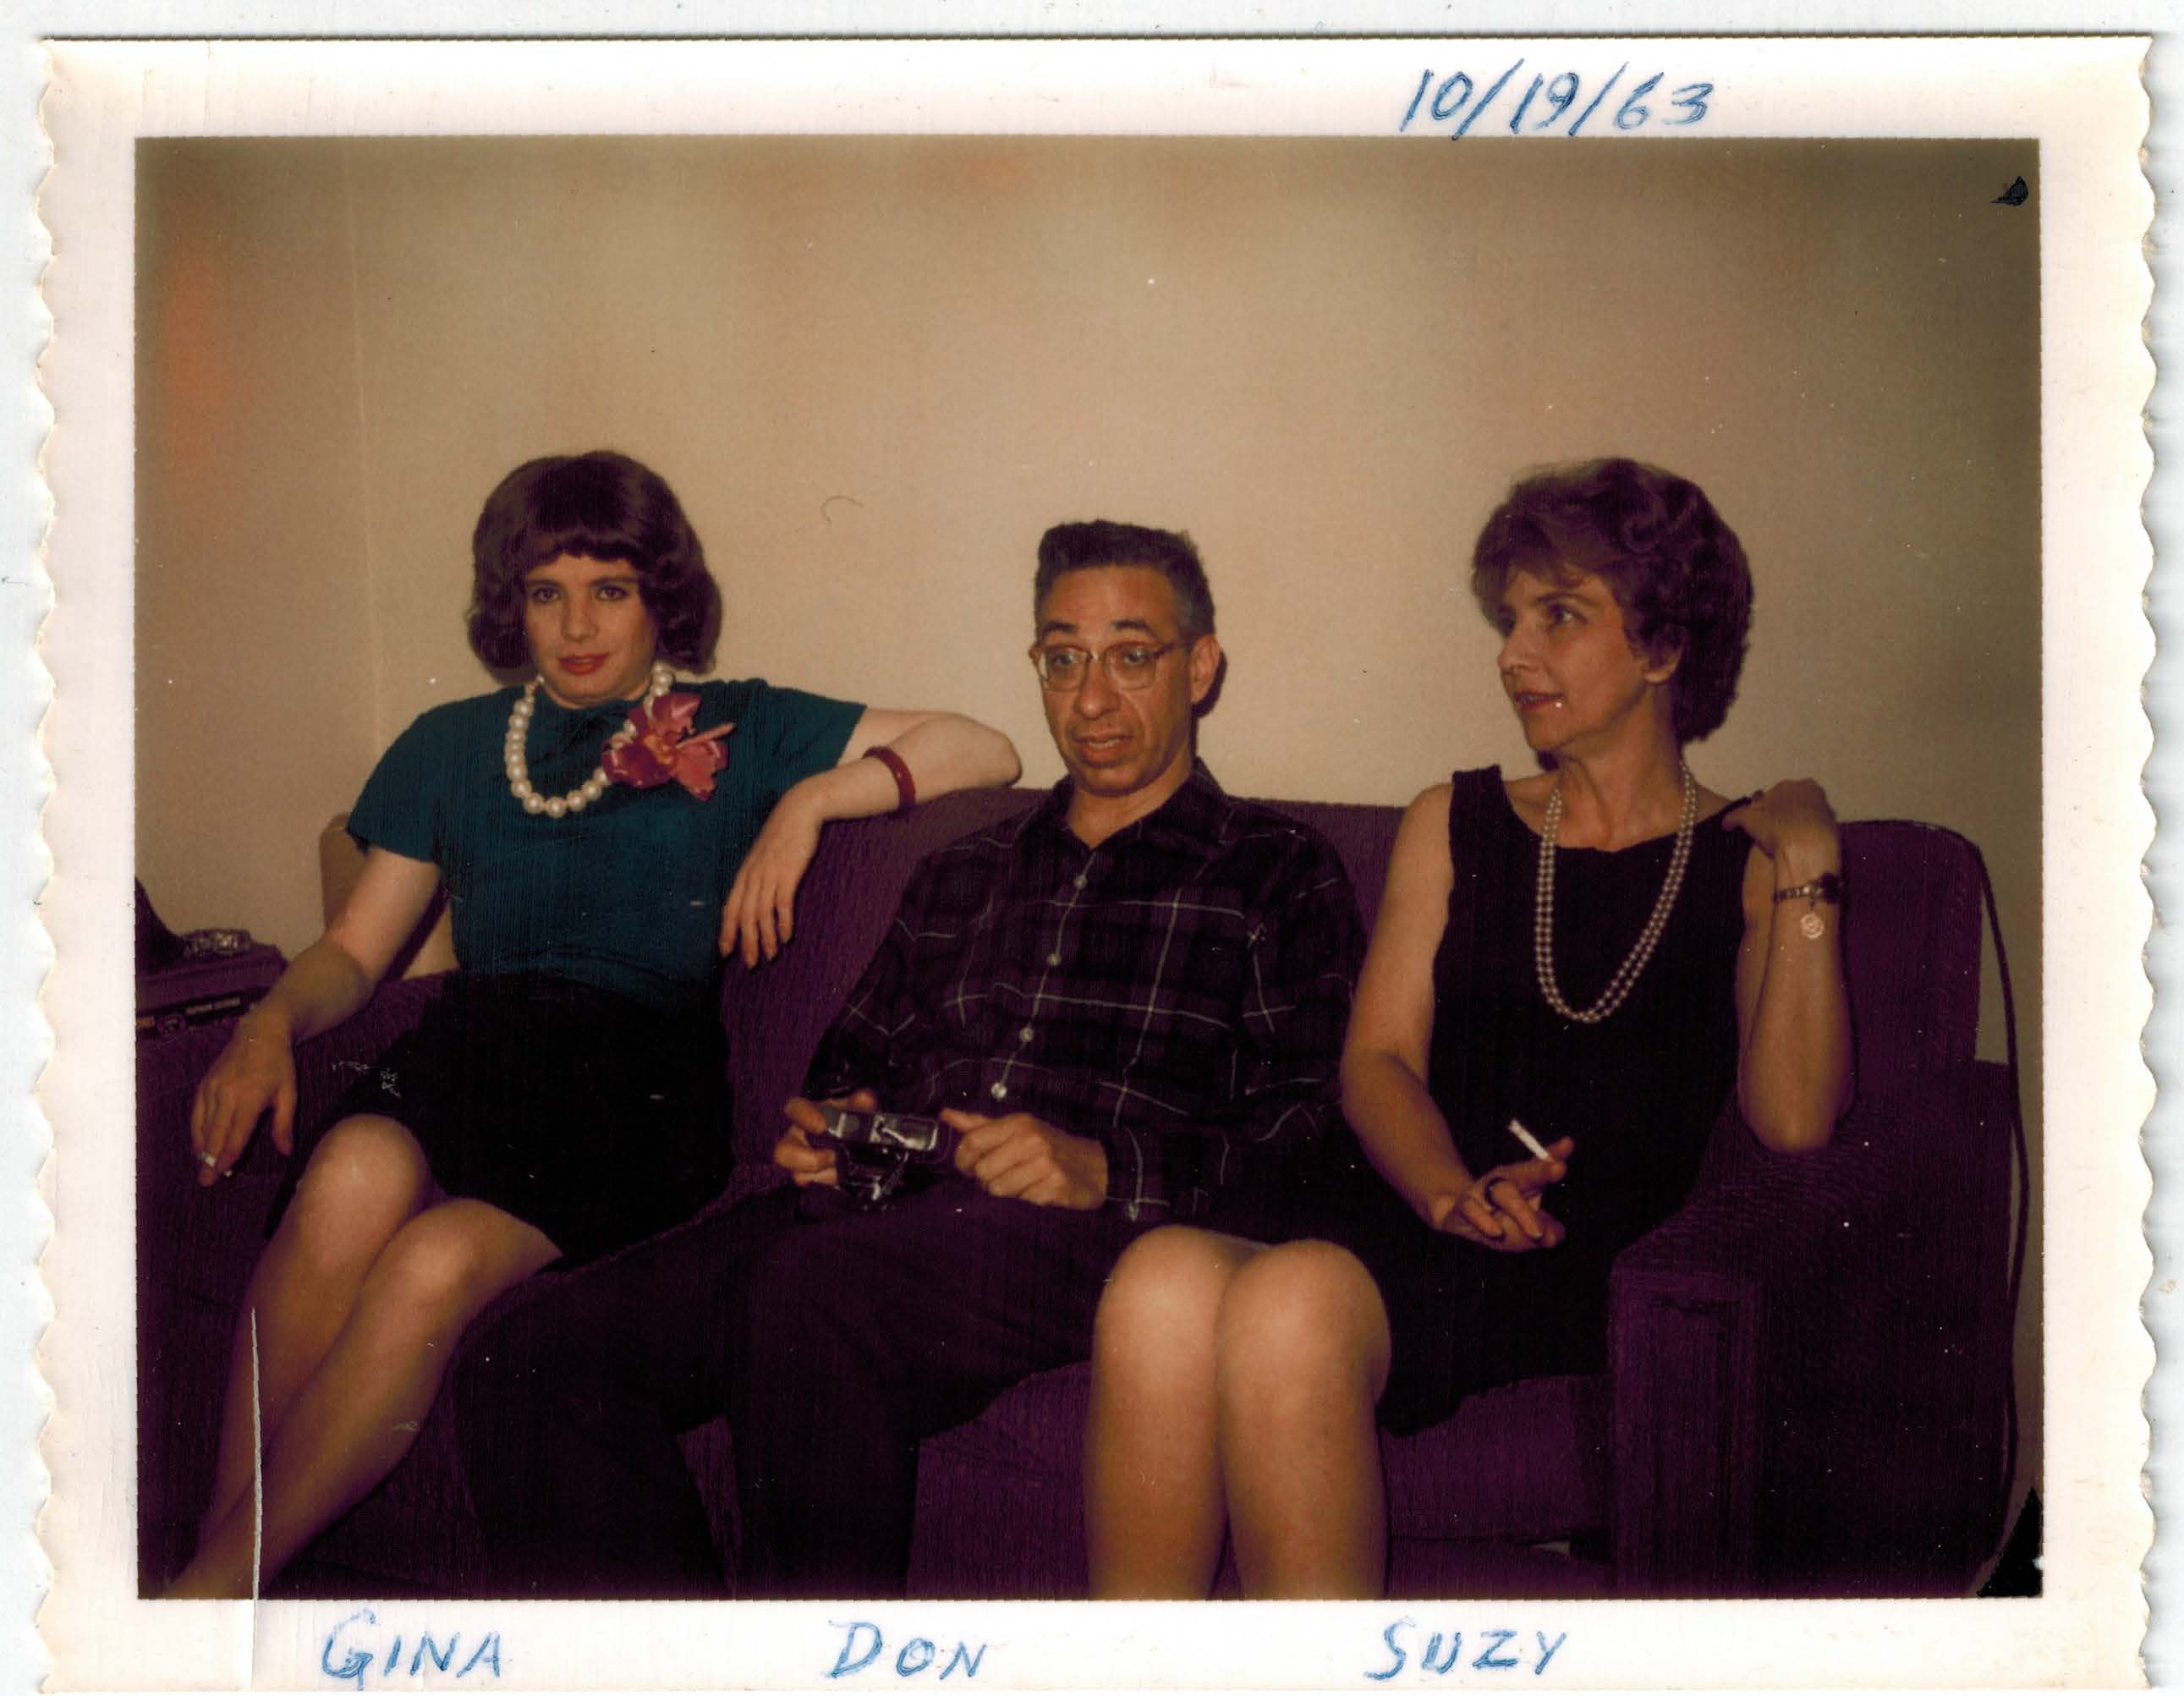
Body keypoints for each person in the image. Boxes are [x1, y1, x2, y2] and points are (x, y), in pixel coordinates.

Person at [453, 519, 1365, 1598]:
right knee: (526, 1356)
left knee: (810, 1295)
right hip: (884, 1213)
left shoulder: (1275, 870)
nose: (1089, 697)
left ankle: (818, 1665)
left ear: (1198, 667)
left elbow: (1307, 1126)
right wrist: (824, 1129)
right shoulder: (960, 868)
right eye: (1061, 658)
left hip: (1091, 1231)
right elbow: (850, 1064)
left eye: (1130, 655)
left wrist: (1102, 1165)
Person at [167, 449, 1020, 1598]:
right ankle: (216, 1584)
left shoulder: (734, 724)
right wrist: (267, 1023)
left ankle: (207, 1598)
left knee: (430, 1263)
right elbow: (356, 952)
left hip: (631, 1088)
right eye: (546, 591)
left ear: (658, 597)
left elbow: (986, 746)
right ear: (508, 603)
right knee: (348, 1171)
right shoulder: (449, 744)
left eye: (608, 589)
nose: (576, 625)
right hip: (473, 1052)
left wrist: (812, 799)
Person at [1083, 458, 1853, 1600]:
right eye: (1508, 620)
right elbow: (1376, 1059)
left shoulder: (1743, 860)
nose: (1511, 654)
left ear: (1660, 647)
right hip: (1413, 1197)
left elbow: (1791, 1120)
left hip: (1567, 1252)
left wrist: (1810, 862)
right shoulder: (1453, 819)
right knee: (1154, 1281)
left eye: (1558, 617)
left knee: (1290, 1303)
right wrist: (1445, 1190)